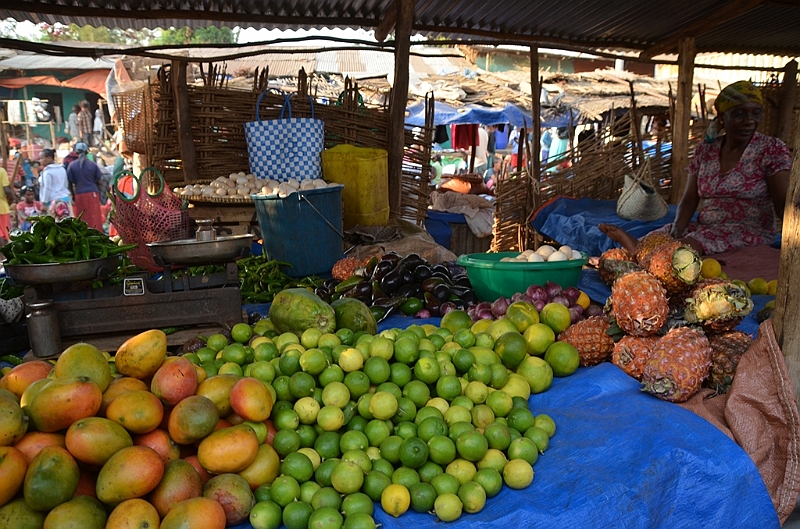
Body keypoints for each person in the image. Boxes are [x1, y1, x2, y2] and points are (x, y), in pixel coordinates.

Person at [601, 80, 792, 256]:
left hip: (748, 231)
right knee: (663, 235)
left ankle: (646, 253)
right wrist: (677, 228)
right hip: (706, 226)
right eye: (739, 113)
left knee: (692, 244)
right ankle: (642, 249)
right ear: (722, 117)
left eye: (755, 113)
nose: (749, 120)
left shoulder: (770, 149)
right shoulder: (706, 150)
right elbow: (690, 199)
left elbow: (783, 204)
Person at [66, 142, 104, 232]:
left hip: (79, 194)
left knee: (82, 217)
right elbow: (100, 181)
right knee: (95, 217)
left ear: (76, 152)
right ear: (87, 152)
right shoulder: (93, 165)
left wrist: (73, 195)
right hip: (92, 194)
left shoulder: (72, 166)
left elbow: (69, 183)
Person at [38, 148, 72, 221]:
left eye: (41, 158)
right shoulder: (62, 169)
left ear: (49, 158)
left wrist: (43, 203)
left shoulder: (47, 172)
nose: (40, 161)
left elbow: (47, 188)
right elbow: (66, 184)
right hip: (65, 198)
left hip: (53, 201)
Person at [0, 165, 14, 246]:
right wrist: (13, 199)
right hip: (2, 208)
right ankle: (2, 257)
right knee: (4, 235)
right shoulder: (1, 171)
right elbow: (7, 190)